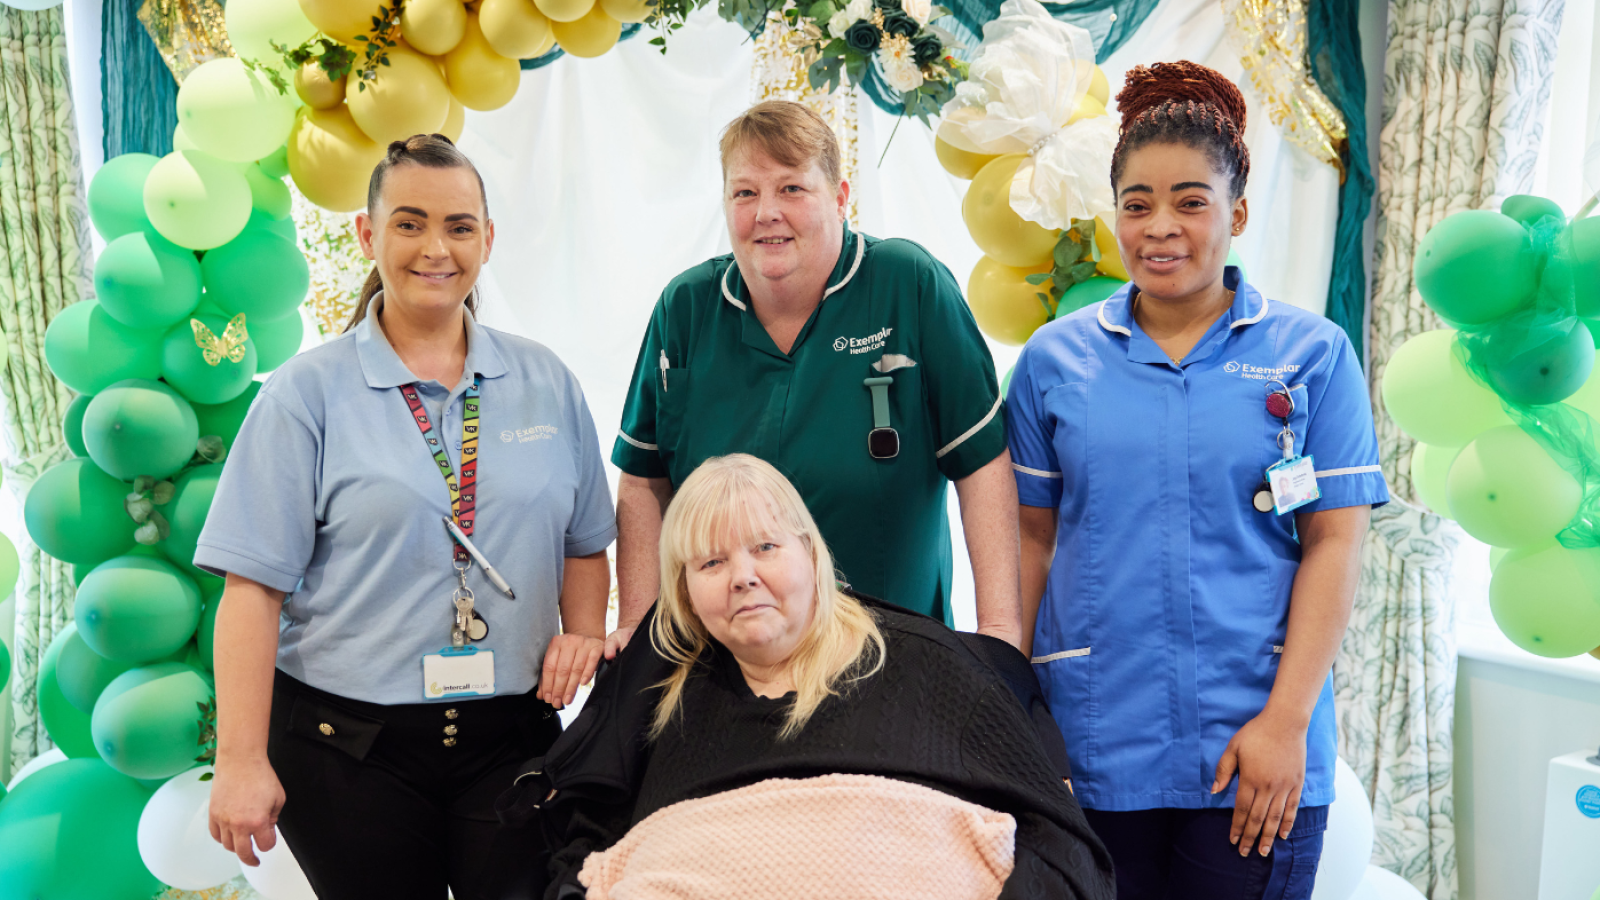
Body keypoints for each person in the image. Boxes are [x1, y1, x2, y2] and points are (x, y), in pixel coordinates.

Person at [1005, 62, 1389, 900]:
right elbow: (1027, 542)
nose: (1159, 226)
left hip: (1254, 740)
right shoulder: (1052, 363)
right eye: (1136, 203)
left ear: (1238, 212)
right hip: (1092, 743)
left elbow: (1335, 540)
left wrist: (1286, 723)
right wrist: (1011, 715)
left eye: (1190, 200)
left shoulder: (1312, 354)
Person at [199, 134, 617, 900]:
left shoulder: (545, 381)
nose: (436, 248)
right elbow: (251, 593)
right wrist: (239, 759)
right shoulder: (305, 395)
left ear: (486, 240)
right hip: (348, 752)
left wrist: (583, 634)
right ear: (368, 234)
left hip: (512, 741)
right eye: (409, 222)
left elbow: (585, 544)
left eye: (459, 226)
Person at [501, 454, 1114, 900]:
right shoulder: (656, 697)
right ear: (684, 594)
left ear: (813, 556)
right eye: (711, 561)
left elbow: (1063, 849)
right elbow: (583, 853)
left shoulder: (937, 670)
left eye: (765, 547)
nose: (742, 576)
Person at [608, 100, 1021, 655]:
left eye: (791, 189)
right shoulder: (685, 307)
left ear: (841, 197)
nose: (766, 212)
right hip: (727, 657)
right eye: (745, 192)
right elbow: (642, 480)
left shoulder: (908, 284)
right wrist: (639, 633)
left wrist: (999, 631)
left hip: (890, 652)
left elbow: (982, 465)